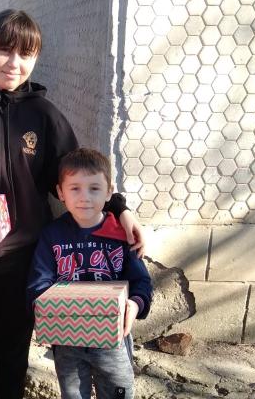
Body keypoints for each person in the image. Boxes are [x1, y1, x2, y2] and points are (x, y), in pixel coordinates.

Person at [0, 9, 146, 399]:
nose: (14, 64)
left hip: (27, 259)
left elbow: (78, 176)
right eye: (4, 50)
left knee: (12, 356)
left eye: (26, 54)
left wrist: (119, 209)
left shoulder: (44, 115)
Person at [27, 148, 153, 399]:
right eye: (75, 188)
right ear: (60, 192)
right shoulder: (52, 235)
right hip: (67, 342)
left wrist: (134, 306)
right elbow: (38, 283)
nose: (84, 197)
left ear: (109, 192)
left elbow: (142, 282)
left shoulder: (121, 235)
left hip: (114, 341)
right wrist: (44, 314)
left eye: (94, 188)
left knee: (118, 393)